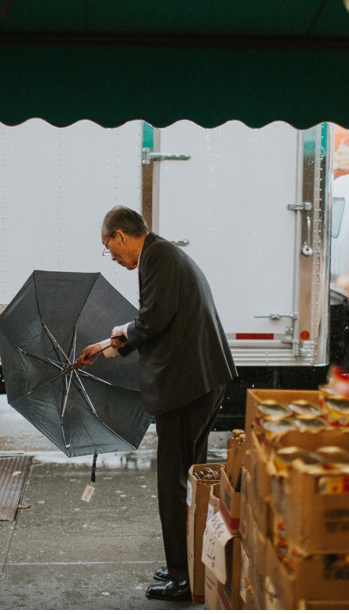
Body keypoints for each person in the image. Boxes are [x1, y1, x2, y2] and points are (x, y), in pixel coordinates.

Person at [74, 205, 237, 601]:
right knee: (189, 478)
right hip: (199, 381)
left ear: (121, 236)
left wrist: (112, 339)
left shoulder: (158, 257)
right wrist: (106, 346)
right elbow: (157, 319)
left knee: (172, 481)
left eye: (108, 247)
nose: (111, 256)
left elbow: (152, 320)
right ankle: (188, 564)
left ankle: (182, 577)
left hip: (188, 385)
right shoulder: (161, 254)